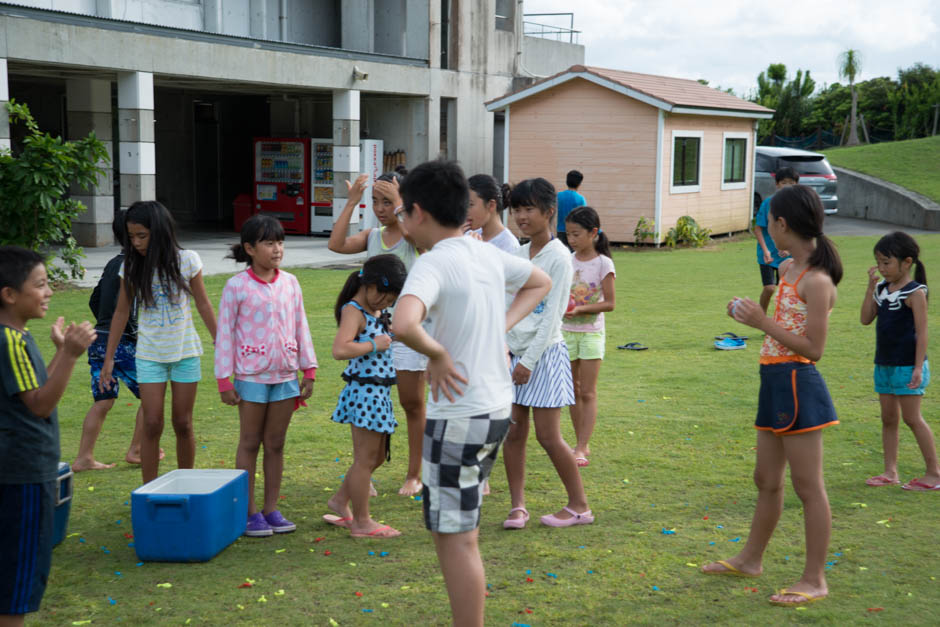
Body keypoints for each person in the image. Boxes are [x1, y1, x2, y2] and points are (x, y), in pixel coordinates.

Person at [391, 160, 550, 627]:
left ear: (418, 212)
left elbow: (403, 324)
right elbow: (538, 282)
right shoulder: (483, 252)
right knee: (465, 533)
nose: (400, 223)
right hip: (494, 410)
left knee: (456, 539)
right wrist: (498, 326)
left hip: (458, 417)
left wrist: (436, 355)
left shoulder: (433, 262)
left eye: (401, 213)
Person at [702, 185, 842, 607]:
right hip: (774, 381)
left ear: (782, 225)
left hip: (799, 383)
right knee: (766, 480)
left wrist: (761, 321)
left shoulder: (817, 280)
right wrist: (750, 312)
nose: (766, 229)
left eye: (769, 223)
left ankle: (815, 579)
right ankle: (749, 559)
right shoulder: (787, 270)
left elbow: (813, 348)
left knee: (808, 486)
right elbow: (778, 320)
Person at [0, 246, 97, 626]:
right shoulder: (10, 341)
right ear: (9, 293)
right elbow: (39, 405)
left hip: (17, 471)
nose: (49, 291)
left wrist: (59, 353)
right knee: (15, 581)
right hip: (22, 474)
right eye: (40, 285)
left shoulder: (15, 337)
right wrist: (72, 356)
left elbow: (31, 393)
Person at [100, 201, 217, 484]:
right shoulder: (130, 266)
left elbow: (202, 303)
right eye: (131, 237)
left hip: (185, 352)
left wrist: (221, 342)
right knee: (152, 423)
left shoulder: (188, 259)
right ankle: (149, 490)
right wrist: (109, 357)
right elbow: (121, 312)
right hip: (149, 354)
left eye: (142, 236)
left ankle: (186, 485)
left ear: (160, 232)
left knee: (183, 423)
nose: (136, 243)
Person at [215, 214, 318, 537]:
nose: (277, 249)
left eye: (280, 242)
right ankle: (248, 513)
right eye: (269, 243)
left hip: (286, 377)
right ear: (249, 248)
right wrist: (224, 380)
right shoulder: (236, 287)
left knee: (276, 443)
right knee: (249, 442)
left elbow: (301, 325)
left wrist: (309, 369)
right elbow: (226, 335)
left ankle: (271, 509)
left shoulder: (290, 283)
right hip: (251, 377)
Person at [328, 172, 427, 497]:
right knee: (369, 401)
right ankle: (364, 472)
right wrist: (353, 202)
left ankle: (414, 474)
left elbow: (417, 236)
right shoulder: (372, 236)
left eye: (387, 201)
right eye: (376, 201)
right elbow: (336, 244)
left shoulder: (413, 237)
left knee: (412, 404)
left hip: (409, 334)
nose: (381, 208)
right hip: (376, 337)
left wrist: (401, 201)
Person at [502, 178, 593, 530]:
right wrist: (508, 348)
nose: (521, 217)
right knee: (512, 433)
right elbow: (508, 304)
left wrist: (527, 360)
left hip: (543, 356)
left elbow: (552, 315)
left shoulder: (558, 257)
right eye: (517, 210)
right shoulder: (518, 253)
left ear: (548, 212)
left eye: (528, 210)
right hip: (513, 354)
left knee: (548, 436)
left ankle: (580, 505)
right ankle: (517, 507)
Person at [324, 254, 407, 538]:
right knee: (364, 459)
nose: (386, 304)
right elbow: (340, 349)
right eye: (384, 297)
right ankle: (361, 521)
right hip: (365, 393)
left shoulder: (372, 312)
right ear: (370, 284)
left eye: (391, 301)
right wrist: (375, 344)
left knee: (377, 457)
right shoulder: (354, 311)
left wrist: (389, 336)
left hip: (378, 392)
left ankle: (339, 500)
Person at [73, 212, 158, 472]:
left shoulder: (113, 263)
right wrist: (127, 329)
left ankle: (84, 457)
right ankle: (137, 449)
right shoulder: (134, 266)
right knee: (151, 395)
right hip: (120, 341)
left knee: (103, 401)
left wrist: (104, 323)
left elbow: (94, 300)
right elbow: (127, 309)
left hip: (99, 339)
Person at [861, 232, 939, 490]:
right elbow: (865, 318)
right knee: (888, 419)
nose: (882, 269)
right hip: (884, 364)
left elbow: (922, 331)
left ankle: (934, 474)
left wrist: (918, 367)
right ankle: (890, 471)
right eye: (879, 263)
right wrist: (870, 288)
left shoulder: (915, 292)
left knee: (912, 418)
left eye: (887, 263)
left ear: (907, 262)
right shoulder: (883, 289)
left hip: (907, 366)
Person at [561, 206, 616, 468]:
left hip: (592, 333)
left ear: (593, 233)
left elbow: (610, 303)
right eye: (568, 234)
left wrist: (580, 309)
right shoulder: (566, 260)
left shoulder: (604, 263)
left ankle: (582, 446)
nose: (571, 240)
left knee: (588, 392)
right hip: (566, 333)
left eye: (576, 234)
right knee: (572, 391)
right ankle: (580, 441)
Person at [755, 167, 798, 313]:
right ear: (777, 184)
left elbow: (798, 232)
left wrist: (790, 249)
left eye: (791, 183)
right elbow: (758, 228)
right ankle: (761, 318)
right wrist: (766, 251)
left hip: (787, 256)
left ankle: (780, 323)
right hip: (767, 255)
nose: (787, 186)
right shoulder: (768, 203)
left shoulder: (797, 205)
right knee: (769, 288)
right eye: (784, 182)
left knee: (784, 291)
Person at [464, 174, 519, 253]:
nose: (465, 210)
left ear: (491, 205)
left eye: (470, 204)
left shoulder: (509, 245)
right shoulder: (469, 235)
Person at [556, 170, 585, 250]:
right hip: (574, 232)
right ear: (579, 183)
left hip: (560, 231)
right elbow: (585, 216)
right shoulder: (580, 199)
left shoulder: (558, 196)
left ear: (567, 181)